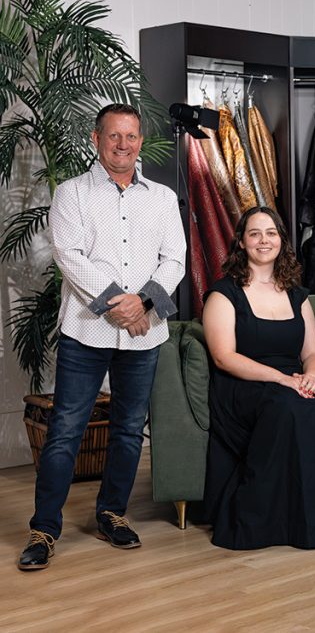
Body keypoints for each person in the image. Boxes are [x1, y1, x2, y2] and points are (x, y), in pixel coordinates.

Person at [19, 104, 186, 571]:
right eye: (114, 136)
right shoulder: (72, 193)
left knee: (129, 430)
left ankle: (112, 513)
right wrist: (122, 305)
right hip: (86, 331)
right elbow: (69, 257)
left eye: (131, 136)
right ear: (96, 139)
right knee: (66, 431)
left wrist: (144, 304)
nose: (123, 145)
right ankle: (44, 529)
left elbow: (175, 258)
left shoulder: (162, 197)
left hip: (144, 333)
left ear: (140, 142)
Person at [202, 206, 315, 549]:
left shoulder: (295, 293)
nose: (263, 240)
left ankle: (309, 525)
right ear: (241, 242)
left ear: (281, 240)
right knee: (287, 407)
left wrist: (310, 377)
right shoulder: (224, 293)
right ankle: (258, 522)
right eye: (254, 233)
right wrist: (282, 379)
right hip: (243, 384)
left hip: (291, 382)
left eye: (271, 233)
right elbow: (223, 357)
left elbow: (314, 352)